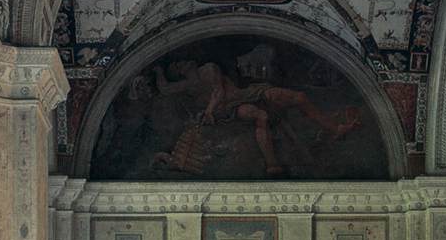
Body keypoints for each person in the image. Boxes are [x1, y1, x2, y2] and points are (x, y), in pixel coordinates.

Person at [153, 60, 360, 174]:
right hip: (231, 110)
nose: (181, 65)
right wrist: (158, 70)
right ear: (179, 74)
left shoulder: (209, 68)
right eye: (177, 67)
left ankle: (335, 128)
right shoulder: (185, 86)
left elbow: (218, 90)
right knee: (260, 115)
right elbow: (164, 89)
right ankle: (272, 164)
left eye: (180, 63)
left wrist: (208, 110)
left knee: (299, 97)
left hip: (247, 94)